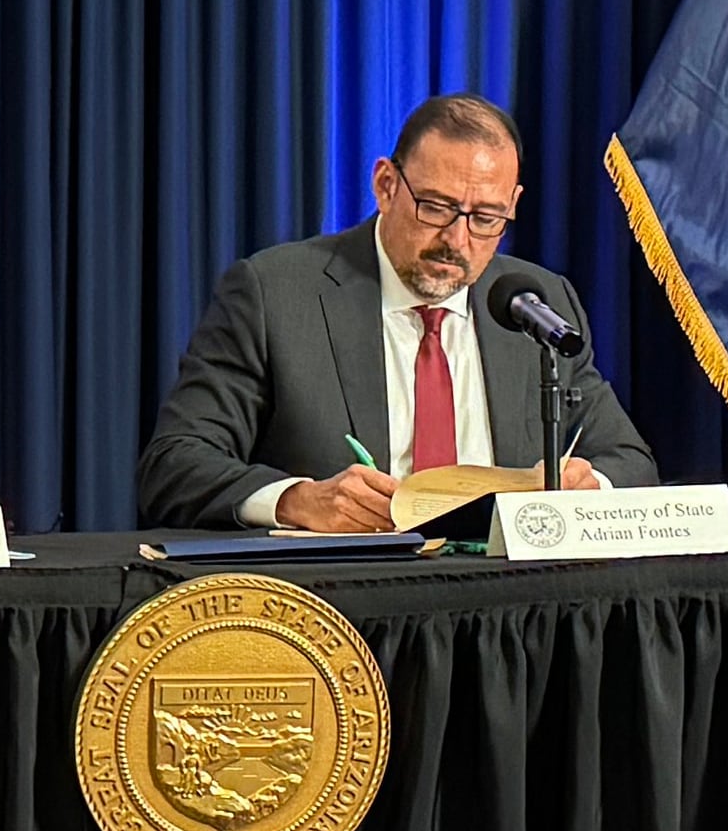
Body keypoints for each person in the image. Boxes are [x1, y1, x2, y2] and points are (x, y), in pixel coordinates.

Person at [136, 93, 658, 530]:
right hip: (348, 607)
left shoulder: (539, 303)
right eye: (435, 207)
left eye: (486, 217)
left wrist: (588, 485)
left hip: (508, 613)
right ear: (386, 185)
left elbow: (630, 461)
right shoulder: (275, 293)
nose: (457, 240)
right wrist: (296, 500)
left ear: (513, 204)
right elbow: (175, 464)